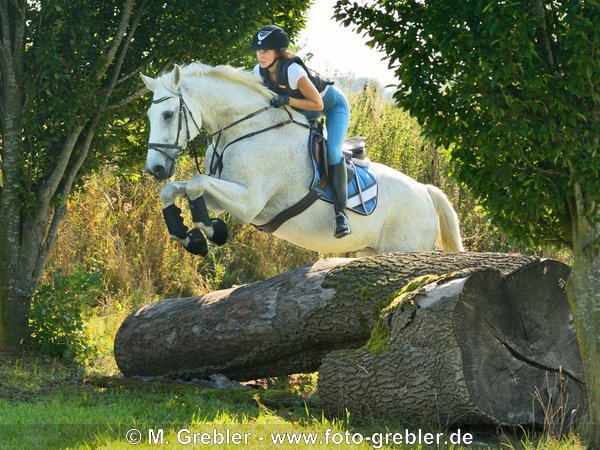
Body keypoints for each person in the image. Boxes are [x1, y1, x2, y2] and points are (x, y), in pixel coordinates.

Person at [251, 24, 351, 239]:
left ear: (278, 52)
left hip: (331, 108)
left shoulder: (293, 70)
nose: (261, 55)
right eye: (259, 51)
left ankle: (341, 214)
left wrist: (287, 99)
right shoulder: (258, 71)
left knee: (333, 152)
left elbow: (317, 104)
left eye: (265, 51)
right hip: (303, 111)